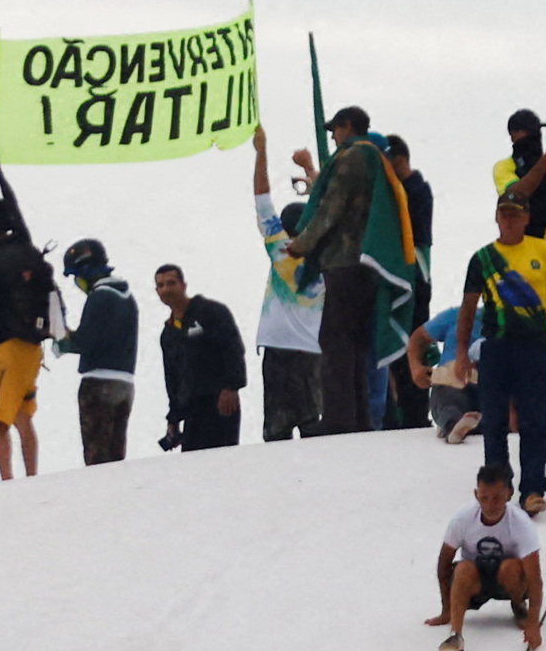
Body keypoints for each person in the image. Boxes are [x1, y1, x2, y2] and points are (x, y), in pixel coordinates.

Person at [281, 105, 404, 434]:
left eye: (334, 130)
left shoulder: (352, 156)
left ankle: (338, 418)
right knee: (356, 343)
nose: (333, 137)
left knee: (335, 340)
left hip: (345, 259)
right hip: (367, 261)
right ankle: (359, 417)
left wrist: (302, 244)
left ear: (347, 126)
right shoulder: (375, 156)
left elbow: (330, 206)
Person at [457, 191, 546, 514]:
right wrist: (460, 352)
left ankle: (532, 491)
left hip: (533, 347)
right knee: (495, 421)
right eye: (505, 213)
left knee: (534, 421)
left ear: (527, 217)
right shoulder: (482, 258)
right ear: (497, 217)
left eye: (516, 213)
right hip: (496, 347)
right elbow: (468, 308)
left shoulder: (544, 251)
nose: (510, 220)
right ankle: (498, 488)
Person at [0, 158, 55, 481]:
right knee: (22, 414)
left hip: (5, 346)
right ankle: (32, 475)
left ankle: (7, 480)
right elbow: (15, 206)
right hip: (34, 347)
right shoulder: (25, 243)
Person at [246, 127, 321, 441]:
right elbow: (330, 206)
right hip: (313, 351)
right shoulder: (326, 251)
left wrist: (261, 150)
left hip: (278, 348)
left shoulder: (279, 248)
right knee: (315, 429)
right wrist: (309, 169)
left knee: (276, 431)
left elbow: (262, 196)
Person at [431, 463, 545, 651]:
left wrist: (534, 624)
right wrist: (445, 608)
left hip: (509, 579)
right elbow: (444, 565)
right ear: (476, 494)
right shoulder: (463, 518)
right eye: (484, 498)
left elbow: (535, 580)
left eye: (497, 498)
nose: (490, 505)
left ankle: (519, 607)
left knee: (511, 567)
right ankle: (455, 632)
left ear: (509, 494)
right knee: (463, 568)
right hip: (474, 580)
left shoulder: (521, 523)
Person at [51, 237, 138, 464]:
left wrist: (62, 338)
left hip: (98, 384)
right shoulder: (128, 296)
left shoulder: (100, 297)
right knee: (116, 457)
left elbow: (85, 342)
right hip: (125, 384)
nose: (77, 282)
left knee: (97, 459)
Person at [153, 264, 246, 452]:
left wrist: (231, 387)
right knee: (193, 468)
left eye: (171, 283)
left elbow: (233, 349)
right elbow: (172, 379)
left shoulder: (211, 312)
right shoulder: (169, 332)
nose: (166, 289)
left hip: (220, 403)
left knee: (222, 463)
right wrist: (174, 418)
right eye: (161, 285)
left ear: (183, 285)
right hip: (191, 410)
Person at [383, 134, 437, 429]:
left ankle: (414, 411)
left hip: (414, 277)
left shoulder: (415, 190)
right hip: (401, 277)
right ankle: (400, 409)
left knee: (412, 342)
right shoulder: (403, 189)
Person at [407, 311, 484, 445]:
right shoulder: (457, 315)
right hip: (450, 382)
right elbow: (419, 337)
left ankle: (467, 425)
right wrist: (416, 367)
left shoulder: (521, 324)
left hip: (490, 389)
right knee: (450, 404)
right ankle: (453, 426)